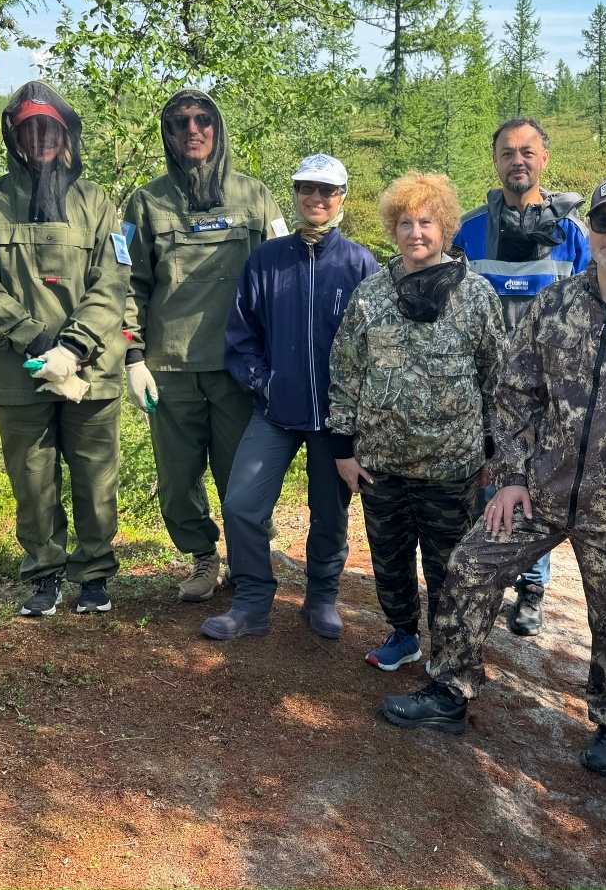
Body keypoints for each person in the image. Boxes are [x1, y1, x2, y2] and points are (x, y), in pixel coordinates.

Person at [381, 174, 606, 776]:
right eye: (604, 221)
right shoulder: (556, 304)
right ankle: (449, 693)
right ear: (587, 230)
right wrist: (512, 475)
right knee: (469, 567)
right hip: (541, 490)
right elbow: (516, 394)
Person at [0, 82, 129, 616]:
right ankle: (45, 574)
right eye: (29, 127)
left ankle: (96, 574)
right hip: (21, 368)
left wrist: (74, 346)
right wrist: (36, 339)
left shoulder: (96, 201)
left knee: (96, 476)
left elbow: (113, 282)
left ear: (65, 133)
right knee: (33, 481)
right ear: (15, 135)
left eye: (49, 127)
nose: (39, 137)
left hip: (90, 368)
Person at [327, 172, 506, 671]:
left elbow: (498, 376)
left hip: (454, 467)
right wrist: (343, 448)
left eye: (426, 221)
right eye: (405, 223)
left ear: (445, 226)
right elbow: (345, 372)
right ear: (393, 229)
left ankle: (449, 653)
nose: (415, 233)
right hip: (382, 464)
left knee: (451, 568)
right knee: (389, 561)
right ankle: (404, 634)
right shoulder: (371, 296)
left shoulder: (476, 296)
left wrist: (494, 451)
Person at [199, 155, 378, 641]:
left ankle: (321, 596)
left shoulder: (361, 263)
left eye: (327, 191)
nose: (316, 199)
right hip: (276, 412)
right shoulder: (268, 258)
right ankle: (253, 601)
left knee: (330, 512)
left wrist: (357, 417)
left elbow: (379, 347)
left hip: (335, 421)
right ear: (296, 194)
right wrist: (266, 382)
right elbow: (241, 336)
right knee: (240, 504)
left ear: (343, 197)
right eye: (306, 189)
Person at [122, 89, 286, 602]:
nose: (192, 130)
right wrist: (132, 355)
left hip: (238, 366)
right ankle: (201, 558)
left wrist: (280, 357)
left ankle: (245, 556)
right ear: (167, 134)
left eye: (203, 120)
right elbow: (126, 283)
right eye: (179, 122)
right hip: (168, 368)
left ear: (218, 128)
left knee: (243, 473)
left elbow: (281, 277)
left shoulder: (255, 197)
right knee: (177, 478)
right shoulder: (145, 203)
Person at [453, 117, 590, 637]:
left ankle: (532, 586)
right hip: (482, 387)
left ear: (544, 159)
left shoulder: (573, 232)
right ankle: (482, 578)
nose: (518, 161)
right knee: (487, 481)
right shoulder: (469, 229)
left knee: (536, 486)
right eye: (508, 152)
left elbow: (587, 309)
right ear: (495, 161)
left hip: (548, 391)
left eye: (527, 152)